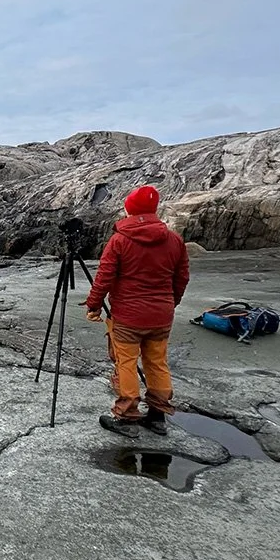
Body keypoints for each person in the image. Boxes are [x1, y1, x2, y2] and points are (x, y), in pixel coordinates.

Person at [83, 185, 189, 437]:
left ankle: (127, 415)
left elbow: (105, 276)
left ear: (130, 208)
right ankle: (157, 416)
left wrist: (94, 305)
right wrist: (170, 302)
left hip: (128, 315)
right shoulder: (174, 239)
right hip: (161, 315)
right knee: (157, 363)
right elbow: (182, 277)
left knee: (126, 363)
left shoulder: (120, 240)